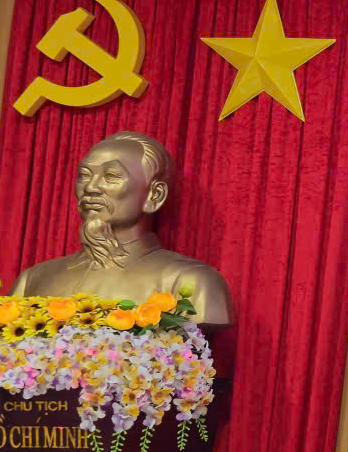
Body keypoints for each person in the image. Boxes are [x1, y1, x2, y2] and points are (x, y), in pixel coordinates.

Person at [13, 130, 233, 325]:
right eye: (84, 176)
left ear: (154, 195)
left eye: (111, 176)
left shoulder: (190, 282)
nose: (90, 187)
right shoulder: (32, 280)